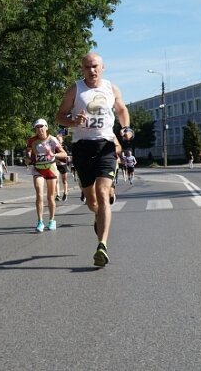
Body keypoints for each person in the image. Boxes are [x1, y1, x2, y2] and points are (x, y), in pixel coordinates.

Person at [56, 52, 133, 267]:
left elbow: (121, 109)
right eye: (88, 67)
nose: (92, 70)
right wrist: (72, 121)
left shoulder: (111, 88)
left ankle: (102, 245)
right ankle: (99, 214)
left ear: (103, 67)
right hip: (82, 147)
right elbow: (59, 116)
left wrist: (126, 128)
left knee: (102, 191)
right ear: (82, 69)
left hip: (106, 146)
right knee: (92, 202)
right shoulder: (75, 89)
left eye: (95, 66)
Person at [25, 118, 67, 232]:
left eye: (41, 126)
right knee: (39, 193)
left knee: (50, 197)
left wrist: (54, 154)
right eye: (37, 127)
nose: (39, 129)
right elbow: (28, 151)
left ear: (46, 127)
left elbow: (64, 154)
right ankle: (40, 222)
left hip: (51, 169)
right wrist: (28, 158)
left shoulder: (52, 140)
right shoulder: (32, 140)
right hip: (38, 169)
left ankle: (52, 220)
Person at [55, 134, 70, 201]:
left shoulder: (65, 147)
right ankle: (58, 195)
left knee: (64, 180)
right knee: (56, 180)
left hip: (63, 166)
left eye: (59, 140)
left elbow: (67, 156)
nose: (58, 141)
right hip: (56, 166)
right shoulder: (54, 148)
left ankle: (65, 193)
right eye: (57, 139)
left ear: (62, 141)